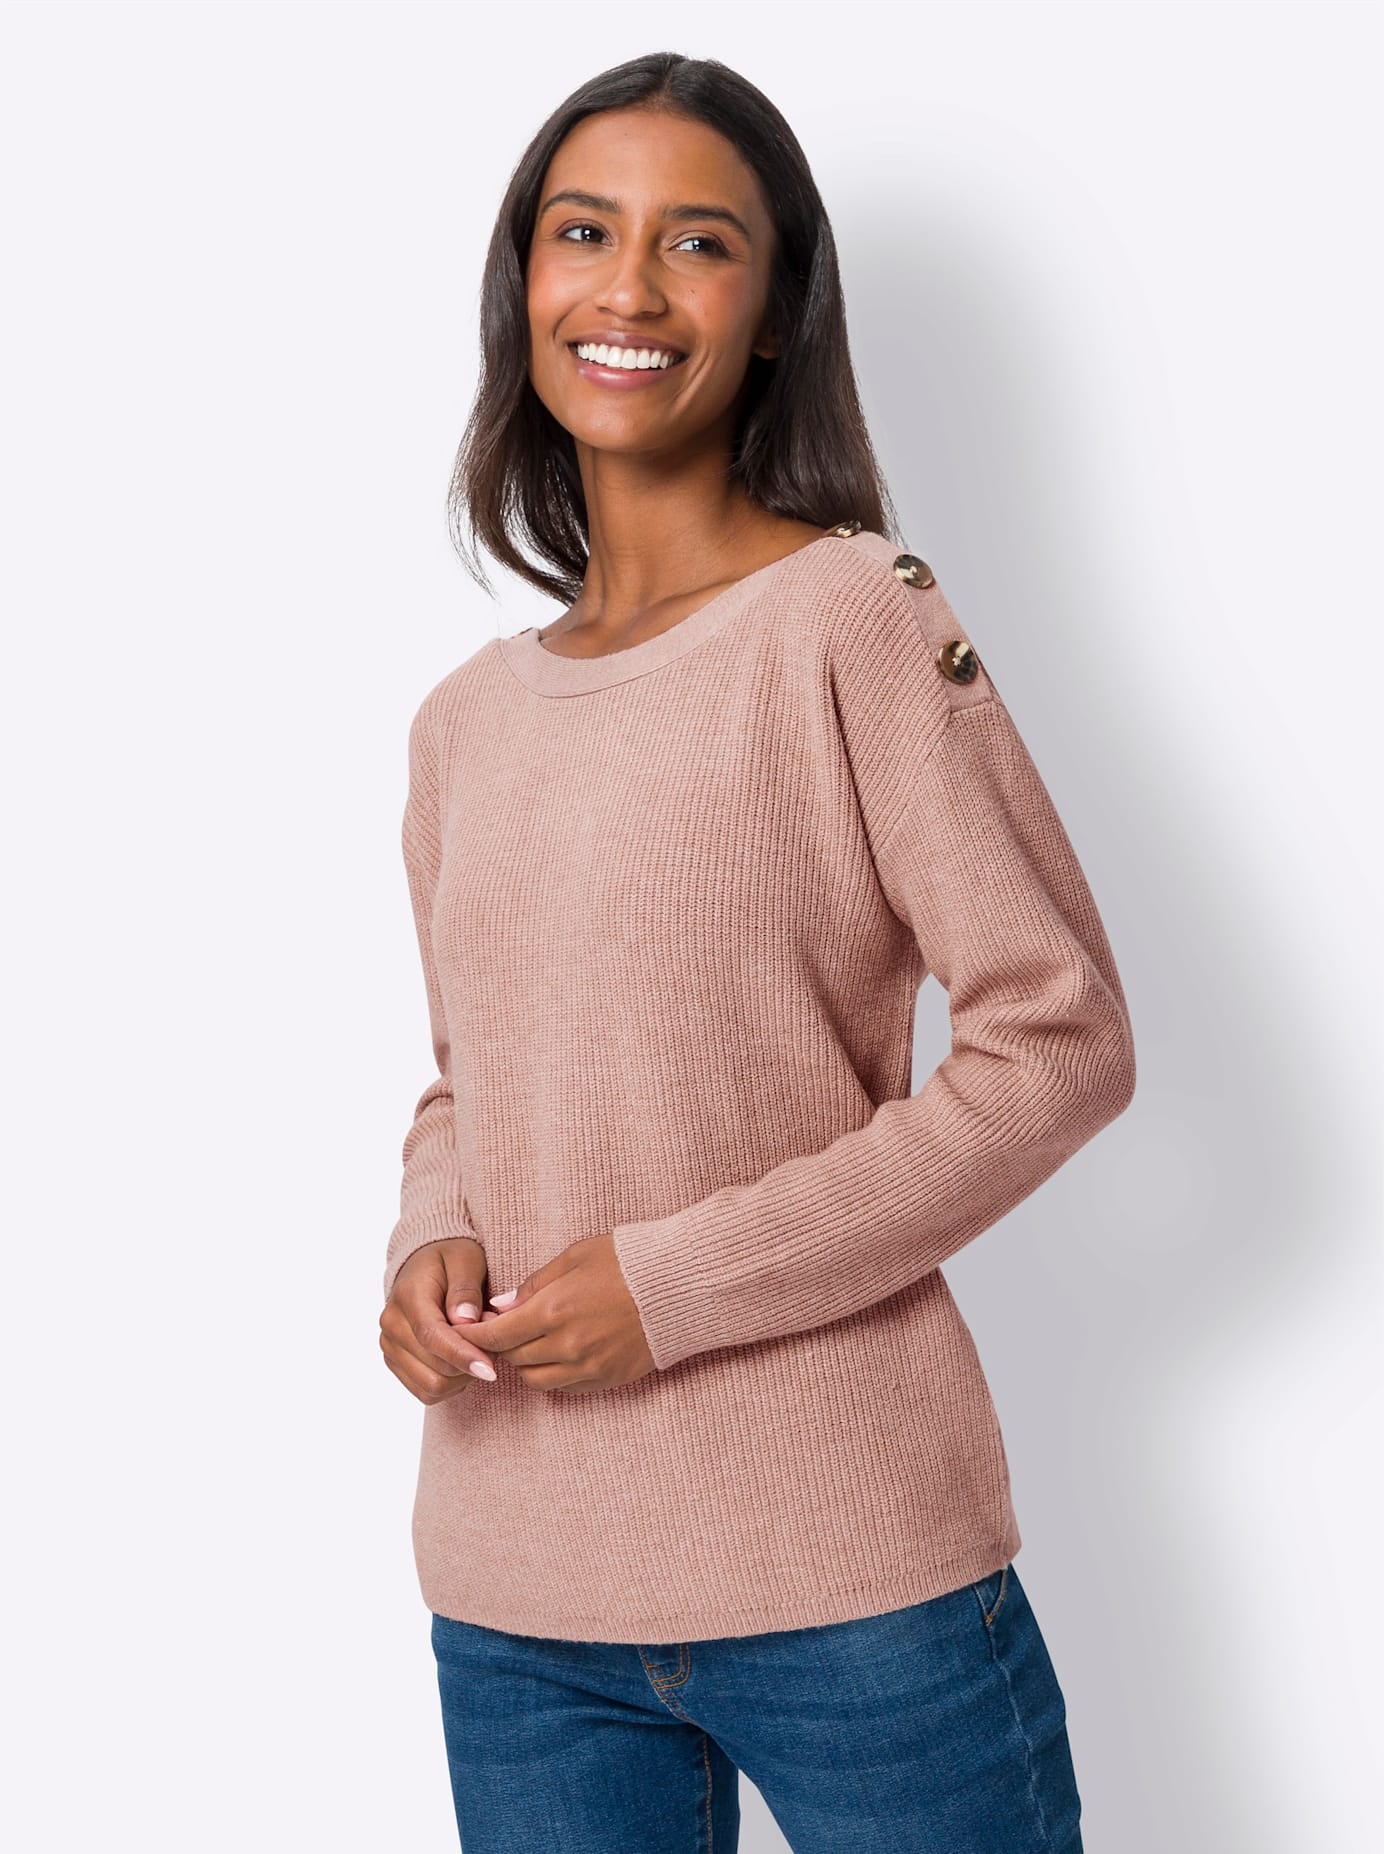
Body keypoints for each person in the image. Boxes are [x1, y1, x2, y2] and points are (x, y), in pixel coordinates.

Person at [377, 50, 1136, 1854]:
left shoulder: (856, 618)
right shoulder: (464, 722)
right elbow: (474, 1076)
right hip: (516, 1593)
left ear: (778, 311)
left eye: (698, 241)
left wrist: (674, 1284)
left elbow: (1060, 1040)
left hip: (851, 1574)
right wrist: (430, 1236)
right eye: (584, 232)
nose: (629, 288)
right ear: (523, 284)